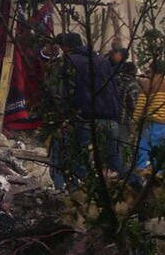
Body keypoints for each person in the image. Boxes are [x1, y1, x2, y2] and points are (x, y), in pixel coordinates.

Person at [49, 32, 123, 189]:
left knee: (73, 159)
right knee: (115, 161)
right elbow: (115, 89)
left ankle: (70, 193)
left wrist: (63, 118)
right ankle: (139, 186)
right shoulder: (101, 61)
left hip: (86, 118)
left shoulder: (69, 62)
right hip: (111, 118)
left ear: (66, 47)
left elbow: (60, 93)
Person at [132, 59, 165, 170]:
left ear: (152, 70)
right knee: (159, 154)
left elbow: (140, 106)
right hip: (164, 126)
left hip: (149, 124)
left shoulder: (147, 85)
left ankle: (141, 175)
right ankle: (157, 178)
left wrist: (134, 123)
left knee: (143, 151)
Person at [108, 45, 140, 171]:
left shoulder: (114, 79)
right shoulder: (132, 84)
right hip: (123, 121)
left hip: (110, 117)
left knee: (111, 147)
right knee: (123, 147)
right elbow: (134, 105)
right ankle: (124, 172)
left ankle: (111, 170)